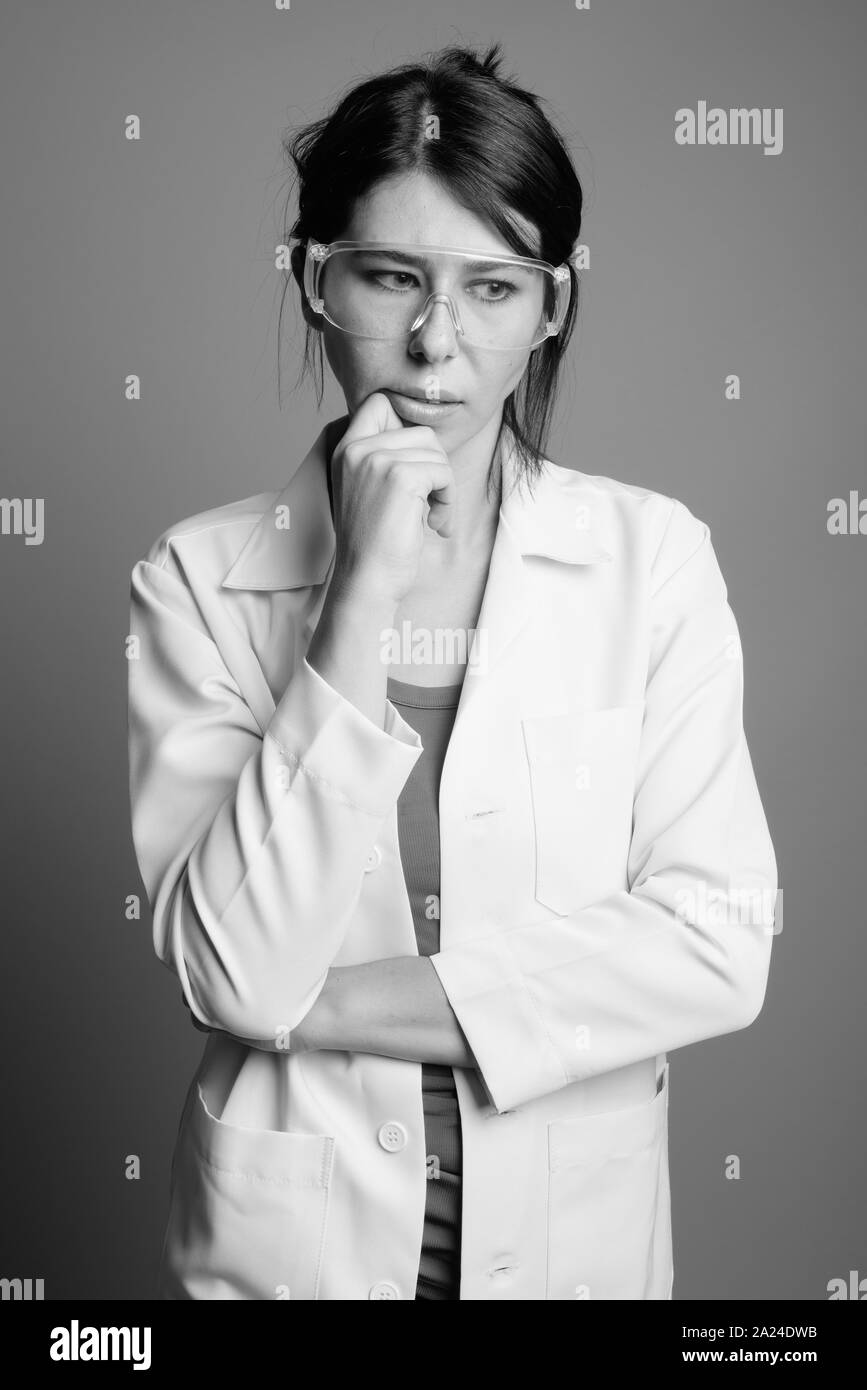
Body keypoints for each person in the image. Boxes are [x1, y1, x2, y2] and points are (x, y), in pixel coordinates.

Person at [127, 42, 778, 1301]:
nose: (436, 343)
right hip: (289, 1259)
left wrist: (315, 1005)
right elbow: (234, 970)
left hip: (573, 1253)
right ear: (317, 284)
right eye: (389, 278)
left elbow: (715, 943)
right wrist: (360, 588)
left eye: (492, 289)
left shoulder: (652, 559)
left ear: (553, 310)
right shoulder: (198, 581)